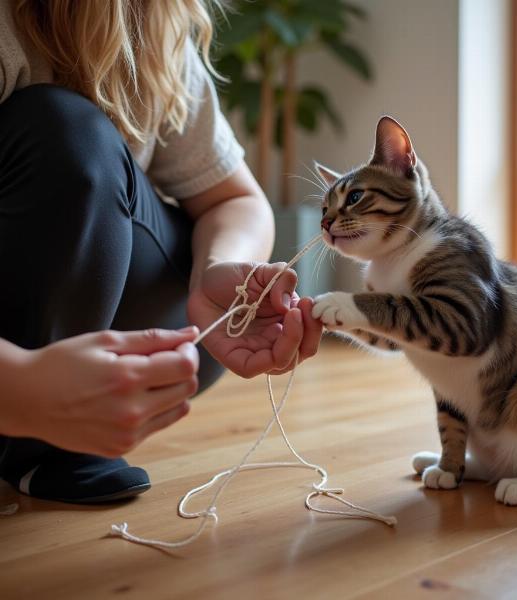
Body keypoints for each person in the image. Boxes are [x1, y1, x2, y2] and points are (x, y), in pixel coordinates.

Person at [0, 0, 322, 504]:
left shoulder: (154, 26)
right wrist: (17, 389)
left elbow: (236, 199)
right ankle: (39, 439)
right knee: (66, 135)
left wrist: (215, 274)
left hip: (120, 323)